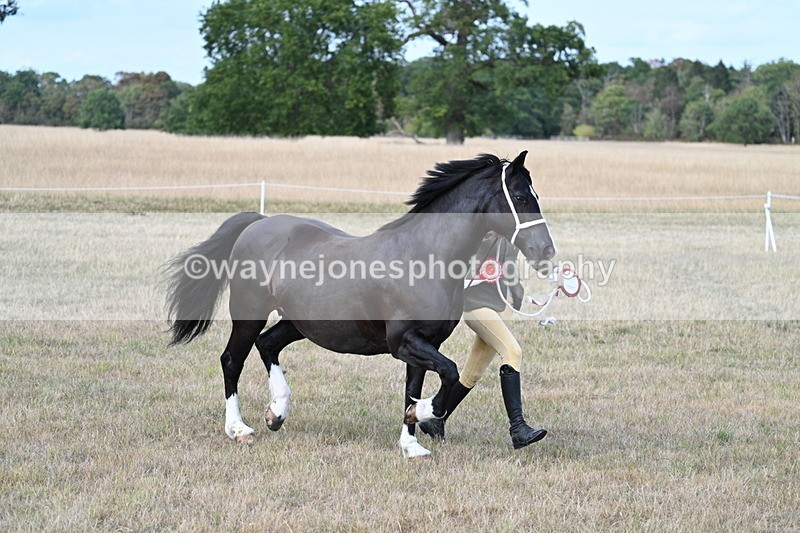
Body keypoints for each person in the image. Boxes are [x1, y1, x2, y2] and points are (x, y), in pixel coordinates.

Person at [419, 232, 547, 449]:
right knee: (512, 352)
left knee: (472, 374)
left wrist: (557, 280)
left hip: (500, 305)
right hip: (476, 305)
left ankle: (436, 420)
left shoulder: (514, 230)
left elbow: (526, 261)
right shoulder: (483, 229)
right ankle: (518, 428)